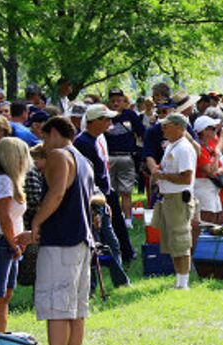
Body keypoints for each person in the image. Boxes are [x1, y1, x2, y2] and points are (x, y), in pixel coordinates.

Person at [26, 116, 95, 345]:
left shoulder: (59, 155)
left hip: (60, 243)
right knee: (76, 312)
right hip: (81, 241)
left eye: (44, 137)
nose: (43, 144)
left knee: (57, 311)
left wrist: (36, 222)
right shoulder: (84, 160)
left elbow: (56, 195)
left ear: (54, 132)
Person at [73, 104, 130, 289]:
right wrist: (95, 203)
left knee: (110, 242)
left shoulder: (95, 139)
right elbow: (86, 176)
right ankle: (94, 285)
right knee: (100, 243)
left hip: (102, 197)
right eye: (106, 119)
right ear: (95, 121)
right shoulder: (83, 143)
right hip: (93, 201)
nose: (110, 122)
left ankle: (117, 281)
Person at [151, 113, 197, 290]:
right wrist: (160, 170)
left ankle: (184, 282)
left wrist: (162, 175)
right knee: (173, 240)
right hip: (169, 198)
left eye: (166, 125)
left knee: (181, 239)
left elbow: (186, 177)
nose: (163, 129)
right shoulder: (172, 145)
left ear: (179, 127)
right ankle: (178, 280)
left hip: (179, 198)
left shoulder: (183, 148)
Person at [0, 137, 31, 333]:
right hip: (3, 242)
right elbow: (4, 218)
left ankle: (2, 339)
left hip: (9, 243)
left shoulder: (10, 181)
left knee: (5, 297)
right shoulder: (3, 180)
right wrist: (14, 244)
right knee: (0, 296)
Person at [104, 88, 145, 229]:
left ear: (123, 101)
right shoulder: (105, 116)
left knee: (126, 191)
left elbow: (141, 132)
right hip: (109, 156)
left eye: (118, 100)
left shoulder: (130, 115)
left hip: (127, 156)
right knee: (110, 191)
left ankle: (128, 220)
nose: (116, 103)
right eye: (113, 100)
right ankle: (112, 219)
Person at [193, 115, 223, 225]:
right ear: (204, 131)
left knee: (218, 220)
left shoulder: (209, 146)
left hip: (212, 189)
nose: (216, 130)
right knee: (207, 221)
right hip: (202, 189)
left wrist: (215, 170)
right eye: (213, 128)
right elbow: (210, 172)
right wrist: (216, 156)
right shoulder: (199, 149)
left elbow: (220, 168)